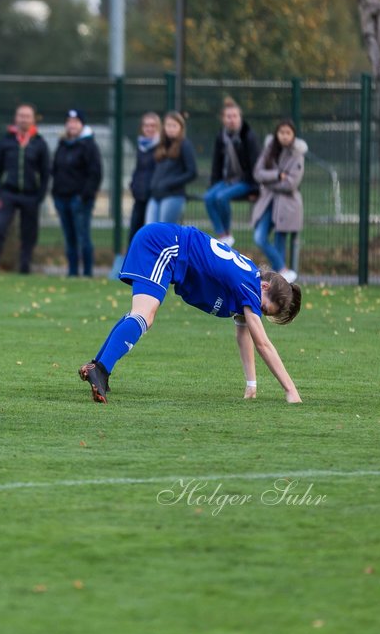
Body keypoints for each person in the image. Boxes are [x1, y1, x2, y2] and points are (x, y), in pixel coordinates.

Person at [79, 222, 302, 405]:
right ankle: (100, 369)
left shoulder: (249, 279)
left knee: (140, 314)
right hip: (165, 246)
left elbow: (245, 335)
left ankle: (98, 367)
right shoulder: (250, 287)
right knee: (144, 315)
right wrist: (291, 390)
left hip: (164, 243)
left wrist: (251, 385)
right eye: (263, 308)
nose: (259, 312)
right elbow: (263, 344)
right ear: (264, 287)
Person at [0, 102, 49, 273]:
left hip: (31, 195)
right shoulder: (6, 141)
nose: (23, 119)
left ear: (33, 119)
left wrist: (40, 196)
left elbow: (45, 172)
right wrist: (0, 190)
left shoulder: (39, 143)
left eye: (27, 116)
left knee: (29, 234)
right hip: (8, 193)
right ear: (16, 118)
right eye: (21, 115)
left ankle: (24, 267)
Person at [251, 119, 305, 282]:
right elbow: (258, 173)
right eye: (281, 132)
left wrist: (268, 183)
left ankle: (279, 283)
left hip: (286, 206)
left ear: (293, 135)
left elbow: (291, 184)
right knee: (259, 237)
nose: (285, 136)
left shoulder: (297, 154)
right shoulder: (269, 150)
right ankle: (283, 269)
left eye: (288, 133)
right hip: (268, 203)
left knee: (279, 242)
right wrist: (276, 175)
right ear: (277, 134)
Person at [51, 107, 103, 277]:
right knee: (69, 238)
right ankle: (72, 272)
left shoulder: (88, 145)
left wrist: (84, 196)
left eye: (76, 122)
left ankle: (87, 272)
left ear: (82, 124)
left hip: (79, 199)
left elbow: (95, 173)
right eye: (69, 122)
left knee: (83, 237)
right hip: (61, 197)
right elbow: (55, 169)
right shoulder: (62, 144)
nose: (72, 125)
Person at [203, 98, 259, 245]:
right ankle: (221, 234)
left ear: (240, 117)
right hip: (228, 180)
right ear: (223, 119)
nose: (232, 120)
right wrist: (214, 184)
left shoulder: (248, 136)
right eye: (229, 116)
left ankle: (227, 233)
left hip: (246, 181)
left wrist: (255, 189)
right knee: (208, 197)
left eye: (235, 116)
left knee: (221, 197)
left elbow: (255, 164)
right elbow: (217, 163)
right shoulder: (221, 136)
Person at [145, 111, 196, 227]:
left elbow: (192, 172)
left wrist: (170, 183)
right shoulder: (161, 146)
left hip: (173, 196)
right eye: (168, 125)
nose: (170, 129)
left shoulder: (185, 145)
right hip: (155, 196)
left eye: (174, 126)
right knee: (149, 230)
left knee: (164, 232)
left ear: (181, 128)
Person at [128, 112, 160, 243]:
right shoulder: (141, 147)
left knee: (150, 233)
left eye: (153, 125)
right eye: (146, 125)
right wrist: (133, 185)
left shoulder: (161, 147)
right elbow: (138, 169)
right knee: (134, 232)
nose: (149, 128)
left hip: (153, 196)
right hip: (139, 196)